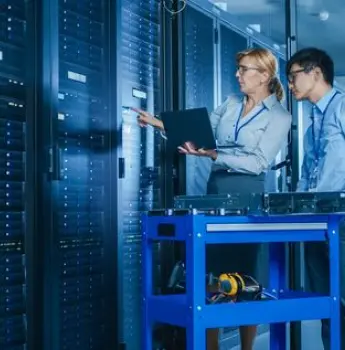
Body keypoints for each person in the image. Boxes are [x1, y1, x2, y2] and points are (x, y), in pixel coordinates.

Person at [135, 47, 292, 350]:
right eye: (238, 68)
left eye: (244, 69)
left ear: (264, 75)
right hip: (216, 189)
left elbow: (259, 162)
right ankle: (212, 347)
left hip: (249, 193)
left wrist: (214, 153)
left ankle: (246, 348)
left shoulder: (279, 116)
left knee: (246, 276)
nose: (237, 74)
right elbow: (201, 130)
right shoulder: (232, 102)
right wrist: (157, 122)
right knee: (213, 270)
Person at [287, 47, 345, 350]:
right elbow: (308, 175)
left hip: (343, 219)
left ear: (316, 72)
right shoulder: (314, 124)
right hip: (317, 221)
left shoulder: (342, 107)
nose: (290, 84)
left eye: (294, 76)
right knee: (327, 302)